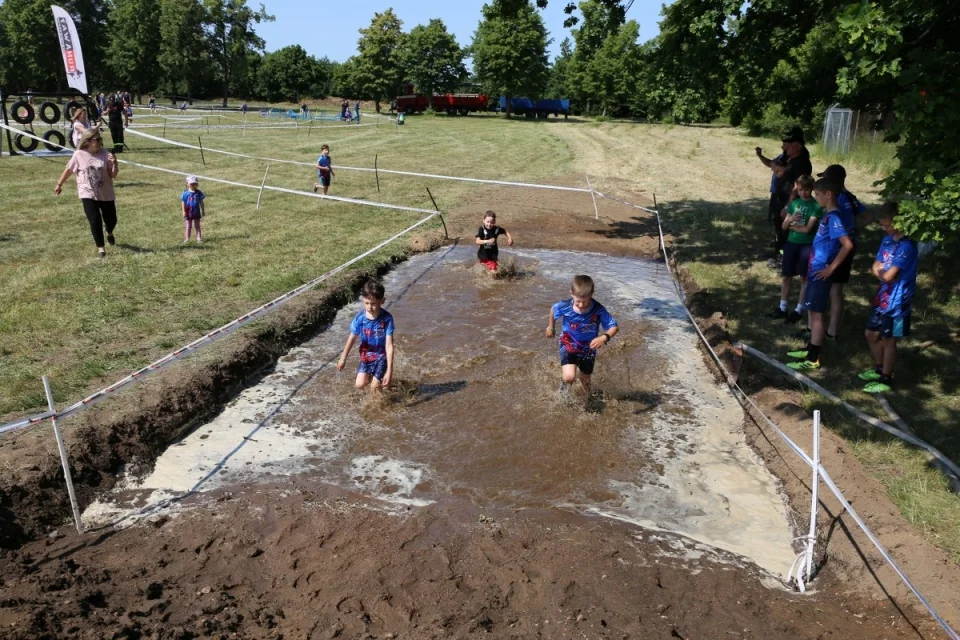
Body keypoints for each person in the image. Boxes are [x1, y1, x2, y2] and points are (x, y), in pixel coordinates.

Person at [786, 177, 854, 370]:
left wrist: (831, 268)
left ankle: (813, 358)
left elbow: (847, 245)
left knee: (816, 314)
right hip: (814, 269)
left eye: (817, 194)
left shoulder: (834, 218)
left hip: (821, 272)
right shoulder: (828, 214)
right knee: (811, 311)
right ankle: (809, 348)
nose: (815, 197)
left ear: (828, 194)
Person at [859, 204, 918, 393]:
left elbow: (887, 275)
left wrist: (884, 272)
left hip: (898, 302)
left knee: (889, 339)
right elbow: (876, 267)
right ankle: (879, 368)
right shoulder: (886, 241)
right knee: (871, 334)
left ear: (899, 222)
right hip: (882, 297)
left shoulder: (907, 246)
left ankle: (886, 378)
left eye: (888, 225)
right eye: (882, 225)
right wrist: (883, 272)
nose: (885, 229)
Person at [545, 275, 619, 396]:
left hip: (588, 348)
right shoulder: (565, 306)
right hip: (568, 342)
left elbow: (614, 327)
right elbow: (553, 309)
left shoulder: (598, 310)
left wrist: (604, 337)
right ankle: (564, 389)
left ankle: (589, 397)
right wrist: (551, 327)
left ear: (592, 294)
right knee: (569, 377)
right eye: (578, 301)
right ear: (571, 293)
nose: (580, 304)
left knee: (585, 380)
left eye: (585, 301)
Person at [817, 164, 867, 340]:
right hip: (844, 246)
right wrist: (854, 229)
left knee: (835, 290)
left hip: (839, 250)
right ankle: (829, 328)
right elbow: (866, 215)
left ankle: (831, 330)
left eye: (826, 179)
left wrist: (847, 231)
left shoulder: (840, 200)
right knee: (835, 289)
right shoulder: (851, 197)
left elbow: (839, 226)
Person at [54, 128, 120, 258]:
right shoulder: (78, 154)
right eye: (97, 139)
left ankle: (109, 231)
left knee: (111, 220)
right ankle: (101, 249)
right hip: (87, 193)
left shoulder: (105, 154)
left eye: (100, 139)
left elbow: (113, 175)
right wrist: (59, 184)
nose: (100, 142)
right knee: (94, 220)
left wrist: (115, 164)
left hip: (106, 193)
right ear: (88, 141)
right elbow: (68, 170)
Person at [769, 175, 820, 323]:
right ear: (798, 189)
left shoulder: (816, 206)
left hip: (806, 245)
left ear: (812, 189)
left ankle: (799, 309)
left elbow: (807, 229)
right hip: (791, 242)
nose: (804, 193)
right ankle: (783, 307)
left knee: (804, 277)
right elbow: (784, 226)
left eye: (807, 190)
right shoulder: (794, 203)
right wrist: (790, 220)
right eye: (801, 189)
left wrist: (792, 226)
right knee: (786, 276)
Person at [337, 279, 395, 394]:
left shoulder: (387, 319)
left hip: (381, 356)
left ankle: (379, 402)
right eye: (366, 303)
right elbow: (352, 338)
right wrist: (343, 358)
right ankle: (379, 383)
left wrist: (390, 371)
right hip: (366, 356)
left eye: (373, 304)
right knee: (359, 385)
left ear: (382, 301)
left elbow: (389, 346)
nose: (369, 307)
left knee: (374, 386)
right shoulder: (360, 318)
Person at [181, 175, 205, 244]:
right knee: (188, 226)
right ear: (187, 184)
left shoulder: (199, 193)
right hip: (188, 213)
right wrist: (183, 211)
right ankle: (187, 239)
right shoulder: (185, 193)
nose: (193, 185)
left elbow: (201, 202)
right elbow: (183, 203)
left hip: (196, 212)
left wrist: (203, 210)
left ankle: (199, 238)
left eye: (195, 184)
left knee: (197, 226)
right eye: (191, 184)